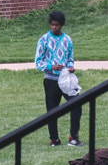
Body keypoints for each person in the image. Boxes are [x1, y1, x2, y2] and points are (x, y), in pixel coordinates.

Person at [34, 11, 81, 147]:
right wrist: (52, 66)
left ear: (62, 25)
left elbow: (70, 59)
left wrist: (71, 67)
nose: (54, 27)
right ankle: (54, 139)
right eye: (52, 25)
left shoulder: (68, 40)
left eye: (57, 25)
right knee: (52, 110)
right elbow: (38, 62)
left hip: (66, 79)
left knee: (76, 105)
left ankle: (74, 137)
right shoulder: (44, 40)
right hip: (50, 80)